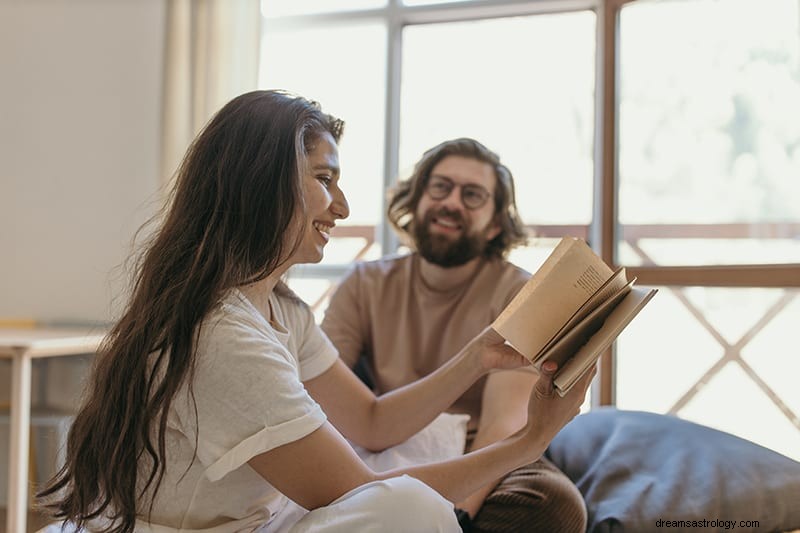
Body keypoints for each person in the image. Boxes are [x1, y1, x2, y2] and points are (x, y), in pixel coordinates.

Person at [36, 91, 593, 533]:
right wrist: (528, 442)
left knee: (527, 501)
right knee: (412, 511)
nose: (344, 207)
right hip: (257, 509)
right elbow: (362, 492)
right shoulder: (225, 334)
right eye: (325, 181)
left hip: (285, 501)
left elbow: (372, 422)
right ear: (263, 185)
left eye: (472, 196)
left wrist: (476, 359)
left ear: (496, 221)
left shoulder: (281, 309)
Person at [321, 138, 588, 532]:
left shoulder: (521, 295)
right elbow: (324, 393)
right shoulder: (364, 283)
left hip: (484, 450)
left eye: (473, 195)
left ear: (496, 222)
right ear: (416, 199)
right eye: (440, 187)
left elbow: (505, 424)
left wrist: (456, 514)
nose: (452, 203)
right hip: (384, 441)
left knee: (552, 505)